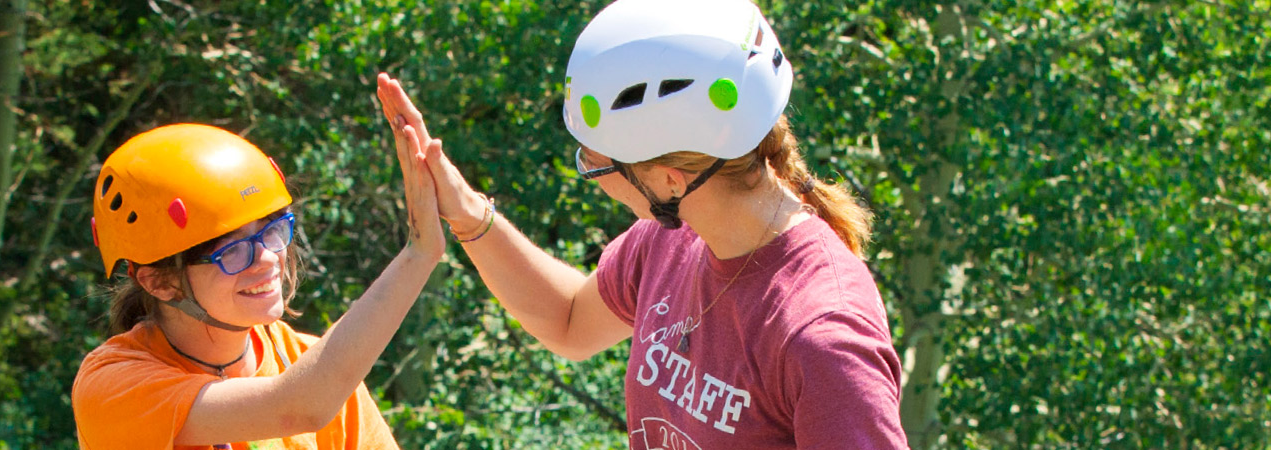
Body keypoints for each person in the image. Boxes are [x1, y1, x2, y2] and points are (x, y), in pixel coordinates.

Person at [374, 0, 906, 448]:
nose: (596, 180)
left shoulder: (824, 338)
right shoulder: (672, 241)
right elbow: (568, 320)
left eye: (596, 165)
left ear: (670, 180)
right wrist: (466, 209)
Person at [72, 122, 445, 449]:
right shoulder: (113, 386)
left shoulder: (309, 362)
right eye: (233, 251)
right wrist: (418, 254)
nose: (268, 258)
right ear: (159, 282)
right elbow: (298, 408)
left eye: (272, 231)